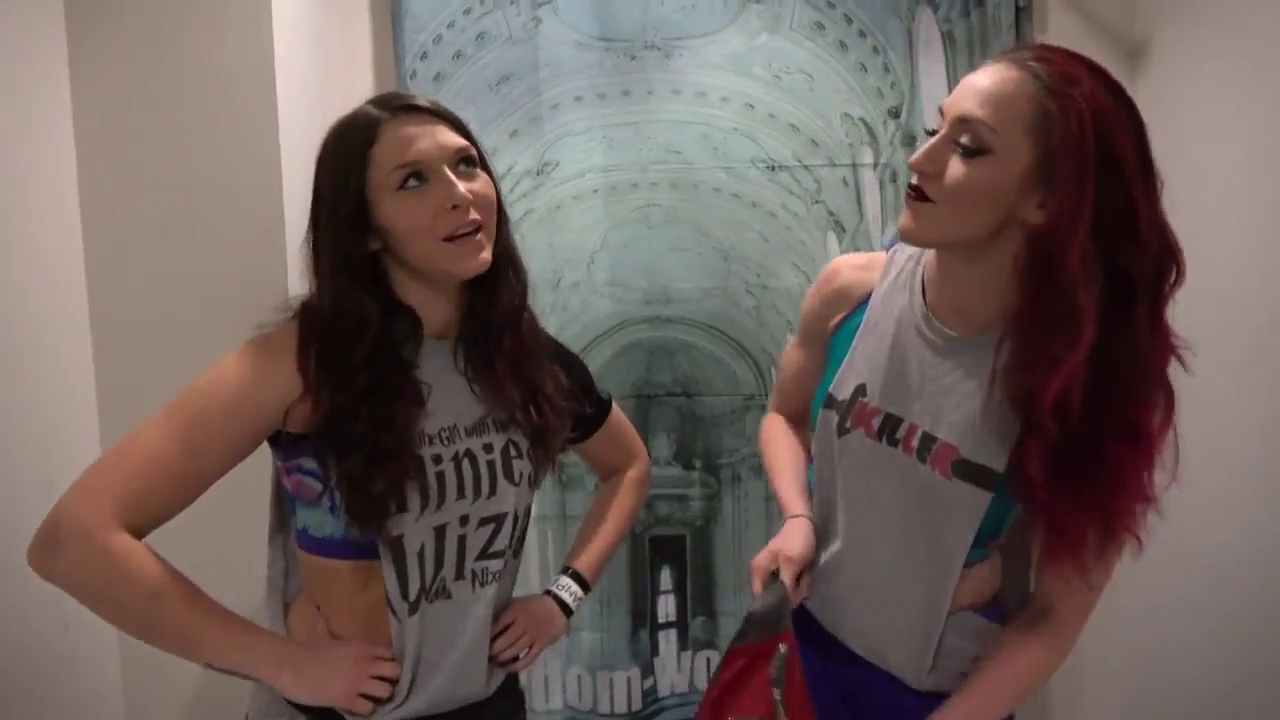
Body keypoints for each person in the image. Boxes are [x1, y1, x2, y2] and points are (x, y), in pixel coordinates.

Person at [27, 91, 652, 719]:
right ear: (368, 229)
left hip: (485, 703)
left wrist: (562, 597)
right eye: (413, 180)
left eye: (466, 164)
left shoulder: (522, 357)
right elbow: (74, 539)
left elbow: (626, 466)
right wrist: (281, 662)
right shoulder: (304, 362)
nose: (460, 192)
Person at [748, 42, 1186, 719]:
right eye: (935, 128)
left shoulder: (1079, 378)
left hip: (937, 695)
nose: (920, 159)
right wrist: (797, 517)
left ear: (1046, 198)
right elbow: (784, 415)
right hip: (802, 652)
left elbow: (1054, 615)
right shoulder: (849, 291)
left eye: (969, 147)